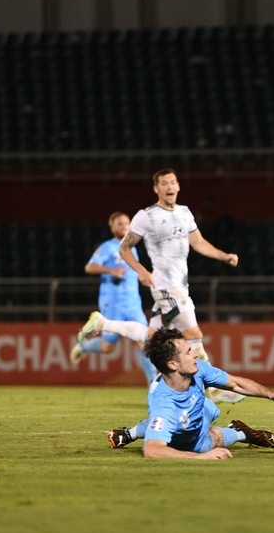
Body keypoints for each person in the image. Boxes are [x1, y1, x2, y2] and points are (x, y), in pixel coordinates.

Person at [76, 168, 243, 402]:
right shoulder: (147, 216)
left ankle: (104, 323)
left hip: (180, 286)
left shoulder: (185, 213)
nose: (170, 187)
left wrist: (223, 255)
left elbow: (199, 242)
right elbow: (124, 248)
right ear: (157, 189)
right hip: (164, 286)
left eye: (173, 182)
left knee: (151, 337)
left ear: (178, 186)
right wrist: (142, 271)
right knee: (194, 333)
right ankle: (214, 388)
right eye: (164, 183)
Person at [107, 328, 274, 459]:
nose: (196, 354)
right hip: (186, 436)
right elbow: (152, 450)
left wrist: (270, 394)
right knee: (202, 442)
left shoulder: (198, 369)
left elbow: (235, 383)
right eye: (188, 352)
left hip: (200, 409)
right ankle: (240, 433)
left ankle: (128, 434)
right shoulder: (165, 406)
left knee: (210, 409)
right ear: (173, 365)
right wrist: (202, 457)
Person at [69, 211, 156, 385]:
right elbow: (90, 267)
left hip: (133, 305)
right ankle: (83, 346)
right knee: (108, 347)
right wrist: (111, 270)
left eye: (126, 223)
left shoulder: (132, 249)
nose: (124, 227)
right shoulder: (108, 247)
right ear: (112, 228)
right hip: (112, 305)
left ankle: (153, 385)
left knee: (144, 343)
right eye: (120, 224)